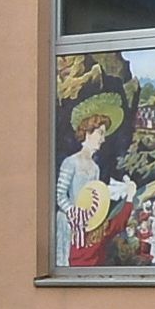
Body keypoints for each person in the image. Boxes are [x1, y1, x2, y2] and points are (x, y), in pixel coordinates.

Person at [58, 94, 137, 265]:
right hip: (72, 224)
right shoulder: (70, 162)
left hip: (90, 224)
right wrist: (76, 214)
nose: (103, 138)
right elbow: (60, 197)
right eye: (100, 133)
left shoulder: (95, 167)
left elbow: (95, 195)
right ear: (88, 132)